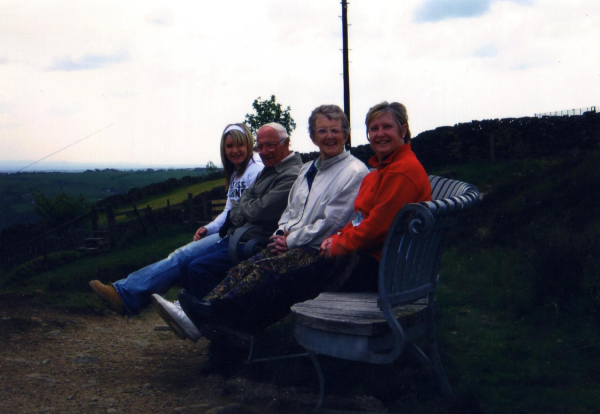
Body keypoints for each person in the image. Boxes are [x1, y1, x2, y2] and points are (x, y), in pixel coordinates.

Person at [154, 104, 369, 341]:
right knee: (241, 270)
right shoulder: (309, 169)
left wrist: (290, 241)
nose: (329, 136)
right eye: (322, 131)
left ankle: (203, 318)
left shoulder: (353, 171)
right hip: (292, 242)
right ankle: (200, 316)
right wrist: (281, 233)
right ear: (313, 136)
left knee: (260, 271)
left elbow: (332, 222)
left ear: (346, 134)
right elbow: (290, 210)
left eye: (335, 130)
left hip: (319, 250)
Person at [88, 123, 263, 317]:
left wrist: (218, 230)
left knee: (182, 257)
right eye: (229, 146)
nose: (235, 150)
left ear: (248, 144)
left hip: (238, 236)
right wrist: (208, 228)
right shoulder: (237, 175)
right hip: (229, 233)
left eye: (239, 145)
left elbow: (248, 212)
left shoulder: (255, 172)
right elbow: (228, 211)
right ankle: (128, 295)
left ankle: (126, 294)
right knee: (181, 256)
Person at [150, 122, 303, 340]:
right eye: (261, 147)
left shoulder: (289, 173)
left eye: (271, 145)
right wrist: (240, 210)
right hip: (244, 234)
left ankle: (213, 329)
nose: (265, 151)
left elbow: (258, 210)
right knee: (190, 263)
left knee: (198, 268)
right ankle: (199, 318)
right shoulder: (269, 170)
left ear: (286, 143)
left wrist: (241, 209)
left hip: (256, 240)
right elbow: (240, 206)